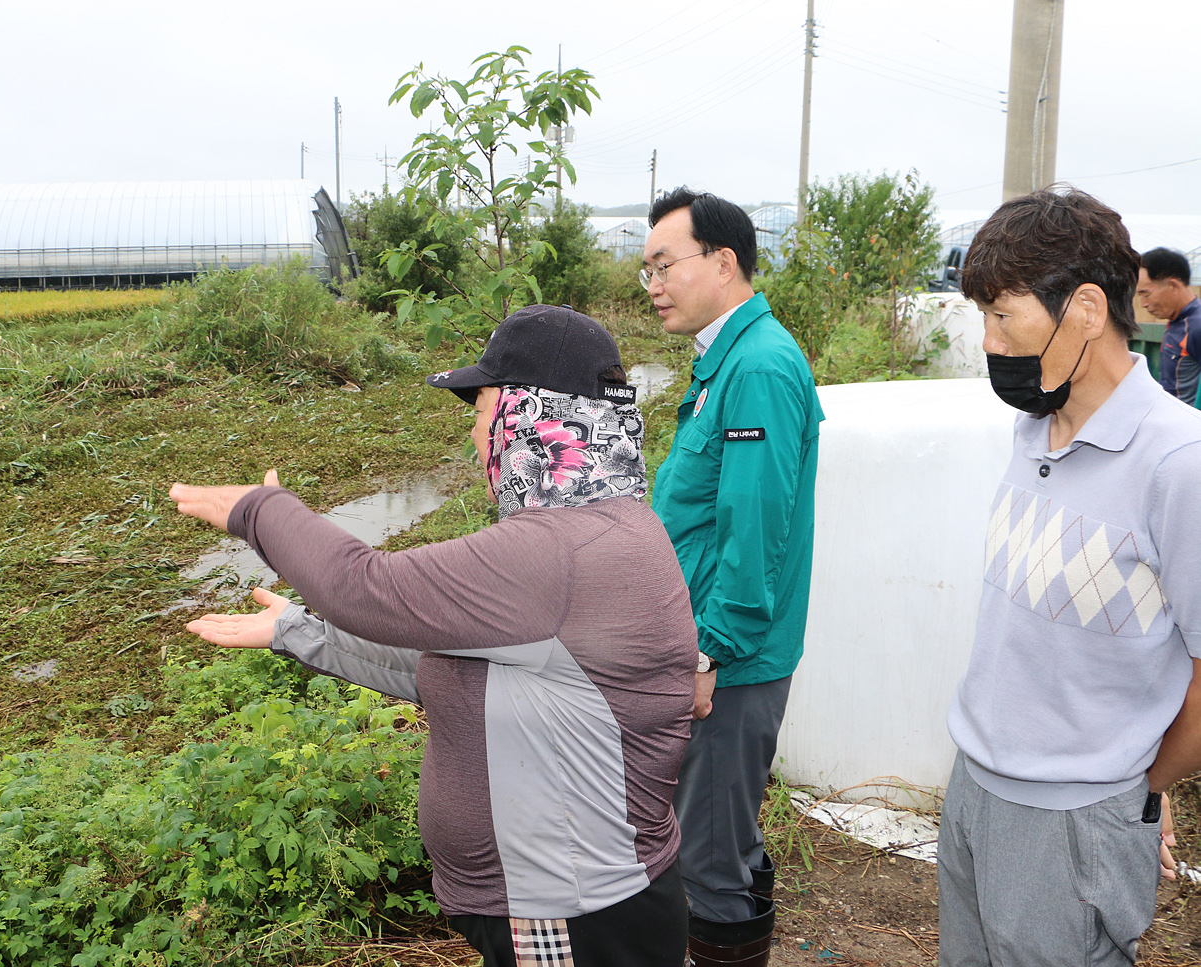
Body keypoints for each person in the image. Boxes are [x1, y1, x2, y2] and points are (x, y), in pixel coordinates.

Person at [170, 304, 698, 967]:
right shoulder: (603, 527)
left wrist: (261, 511)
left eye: (480, 408)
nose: (476, 435)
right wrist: (298, 631)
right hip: (573, 903)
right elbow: (442, 667)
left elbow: (364, 588)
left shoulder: (560, 551)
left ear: (531, 414)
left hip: (574, 914)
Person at [939, 187, 1201, 967]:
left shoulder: (1179, 463)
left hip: (1072, 819)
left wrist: (1134, 791)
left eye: (1004, 316)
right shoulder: (1032, 428)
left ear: (1086, 307)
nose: (989, 341)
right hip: (974, 789)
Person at [640, 188, 823, 967]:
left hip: (728, 662)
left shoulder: (758, 366)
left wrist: (712, 648)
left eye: (663, 264)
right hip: (713, 649)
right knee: (718, 840)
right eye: (644, 269)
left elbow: (755, 529)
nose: (652, 284)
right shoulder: (727, 361)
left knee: (709, 857)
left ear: (723, 262)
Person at [1136, 247, 1201, 403]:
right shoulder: (1178, 322)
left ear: (1173, 285)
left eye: (1146, 294)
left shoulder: (1196, 327)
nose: (1143, 303)